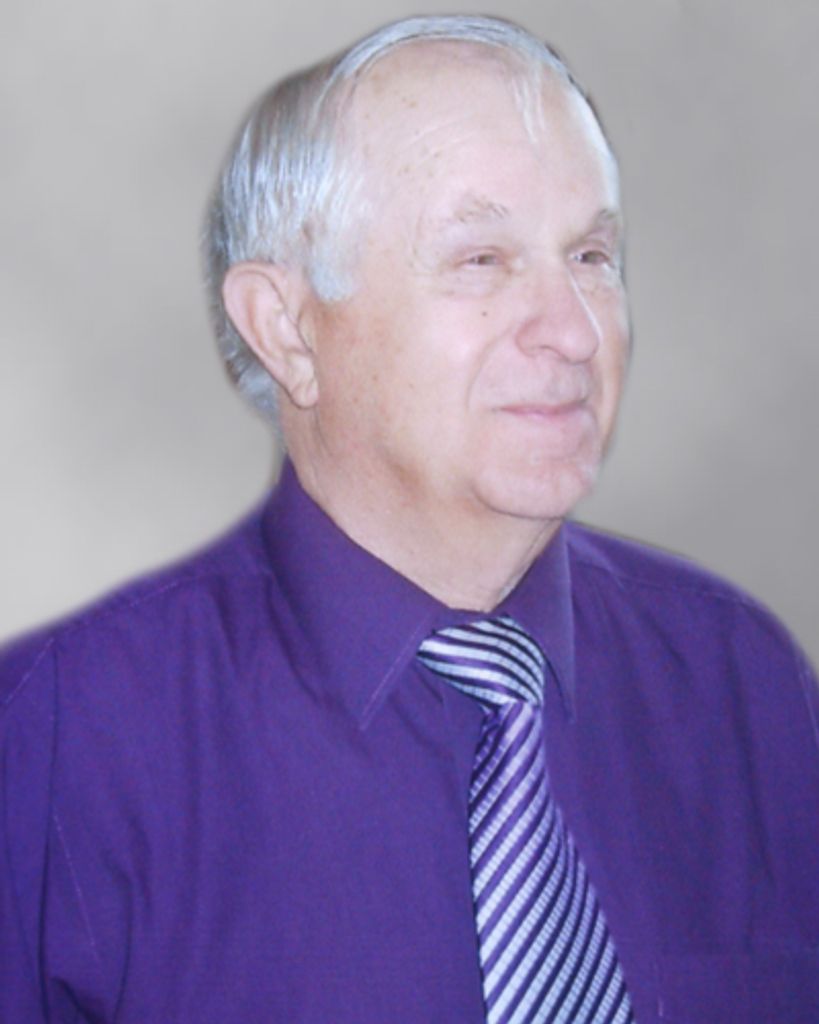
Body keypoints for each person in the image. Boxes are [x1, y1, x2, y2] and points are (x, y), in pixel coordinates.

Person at [2, 14, 817, 1024]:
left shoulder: (741, 679)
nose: (573, 331)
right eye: (481, 259)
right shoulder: (59, 741)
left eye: (590, 254)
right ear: (288, 331)